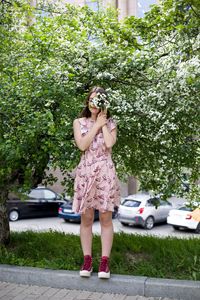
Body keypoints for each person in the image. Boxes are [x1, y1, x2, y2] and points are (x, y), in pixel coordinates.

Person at [72, 86, 120, 279]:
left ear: (104, 103)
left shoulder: (111, 123)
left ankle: (104, 262)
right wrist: (96, 126)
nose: (94, 103)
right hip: (86, 173)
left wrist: (104, 122)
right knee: (87, 219)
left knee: (106, 219)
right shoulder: (79, 122)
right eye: (91, 99)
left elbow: (109, 144)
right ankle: (87, 259)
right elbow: (82, 145)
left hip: (105, 173)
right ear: (87, 102)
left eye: (98, 100)